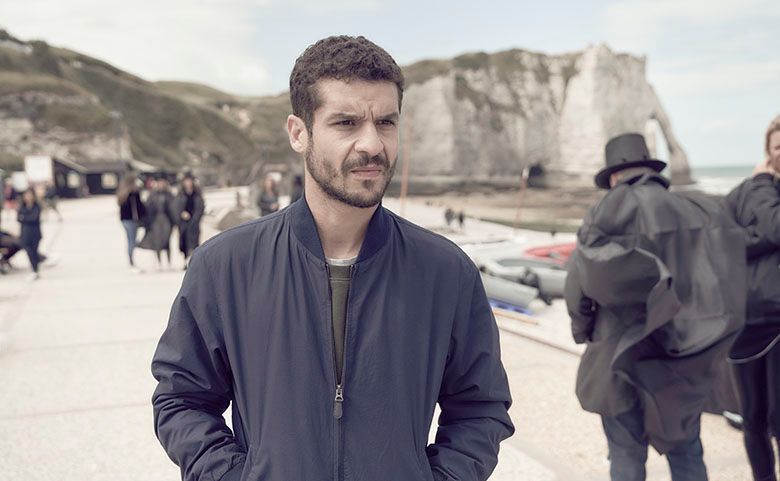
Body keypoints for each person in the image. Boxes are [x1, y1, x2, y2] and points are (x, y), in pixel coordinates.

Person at [151, 35, 513, 481]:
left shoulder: (445, 271)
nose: (372, 144)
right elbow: (181, 398)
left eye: (385, 122)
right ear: (298, 133)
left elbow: (481, 408)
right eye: (346, 123)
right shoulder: (225, 266)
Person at [565, 132, 747, 481]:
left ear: (614, 177)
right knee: (687, 453)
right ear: (647, 166)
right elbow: (722, 272)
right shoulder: (694, 209)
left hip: (616, 358)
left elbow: (578, 287)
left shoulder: (602, 214)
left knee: (626, 459)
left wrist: (585, 331)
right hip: (680, 357)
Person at [724, 115, 780, 481]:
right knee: (753, 418)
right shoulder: (746, 191)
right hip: (745, 324)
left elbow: (773, 226)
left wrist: (762, 235)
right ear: (767, 152)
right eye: (778, 147)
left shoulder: (757, 187)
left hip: (778, 323)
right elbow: (720, 241)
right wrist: (763, 240)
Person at [138, 178, 176, 270]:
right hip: (156, 219)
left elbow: (174, 207)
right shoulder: (152, 195)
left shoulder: (169, 195)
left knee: (167, 240)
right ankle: (158, 262)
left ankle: (169, 262)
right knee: (157, 240)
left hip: (167, 219)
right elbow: (147, 208)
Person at [173, 173, 204, 268]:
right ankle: (185, 260)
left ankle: (193, 261)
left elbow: (200, 207)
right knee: (184, 241)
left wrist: (195, 218)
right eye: (186, 181)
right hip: (183, 223)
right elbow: (176, 207)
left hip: (194, 222)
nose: (188, 183)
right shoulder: (180, 194)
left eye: (190, 181)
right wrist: (181, 213)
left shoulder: (197, 194)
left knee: (194, 241)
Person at [117, 175, 146, 273]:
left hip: (124, 220)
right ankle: (131, 259)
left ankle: (130, 258)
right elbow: (138, 206)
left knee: (130, 239)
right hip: (132, 220)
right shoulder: (133, 193)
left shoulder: (122, 193)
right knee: (132, 240)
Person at [17, 188, 43, 280]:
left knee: (34, 251)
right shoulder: (22, 206)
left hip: (35, 233)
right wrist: (25, 218)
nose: (27, 197)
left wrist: (24, 218)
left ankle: (35, 270)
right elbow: (18, 218)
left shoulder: (37, 206)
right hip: (25, 234)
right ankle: (34, 269)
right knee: (29, 252)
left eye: (29, 194)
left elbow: (34, 218)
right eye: (26, 195)